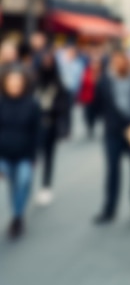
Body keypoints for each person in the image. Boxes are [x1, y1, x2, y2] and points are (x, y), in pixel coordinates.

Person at [92, 49, 130, 224]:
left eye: (122, 60)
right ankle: (109, 209)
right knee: (112, 172)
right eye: (116, 61)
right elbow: (97, 104)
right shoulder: (104, 81)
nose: (120, 64)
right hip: (113, 131)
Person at [0, 65, 42, 239]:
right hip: (3, 154)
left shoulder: (32, 104)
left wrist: (34, 156)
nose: (14, 85)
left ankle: (17, 216)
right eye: (11, 82)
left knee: (23, 182)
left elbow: (38, 132)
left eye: (18, 82)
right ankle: (16, 213)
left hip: (25, 154)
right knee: (11, 184)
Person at [33, 49, 72, 206]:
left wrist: (64, 128)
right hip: (33, 125)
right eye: (44, 61)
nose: (47, 64)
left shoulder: (58, 82)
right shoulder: (34, 81)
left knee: (48, 157)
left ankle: (46, 185)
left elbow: (64, 107)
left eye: (50, 61)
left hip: (50, 124)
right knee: (33, 157)